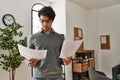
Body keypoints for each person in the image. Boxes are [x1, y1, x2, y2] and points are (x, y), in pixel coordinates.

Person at [28, 6, 72, 80]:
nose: (44, 24)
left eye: (47, 21)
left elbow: (62, 58)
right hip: (38, 76)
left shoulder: (60, 37)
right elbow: (28, 57)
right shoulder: (32, 37)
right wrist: (29, 62)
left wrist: (66, 61)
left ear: (52, 20)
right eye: (42, 21)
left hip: (57, 76)